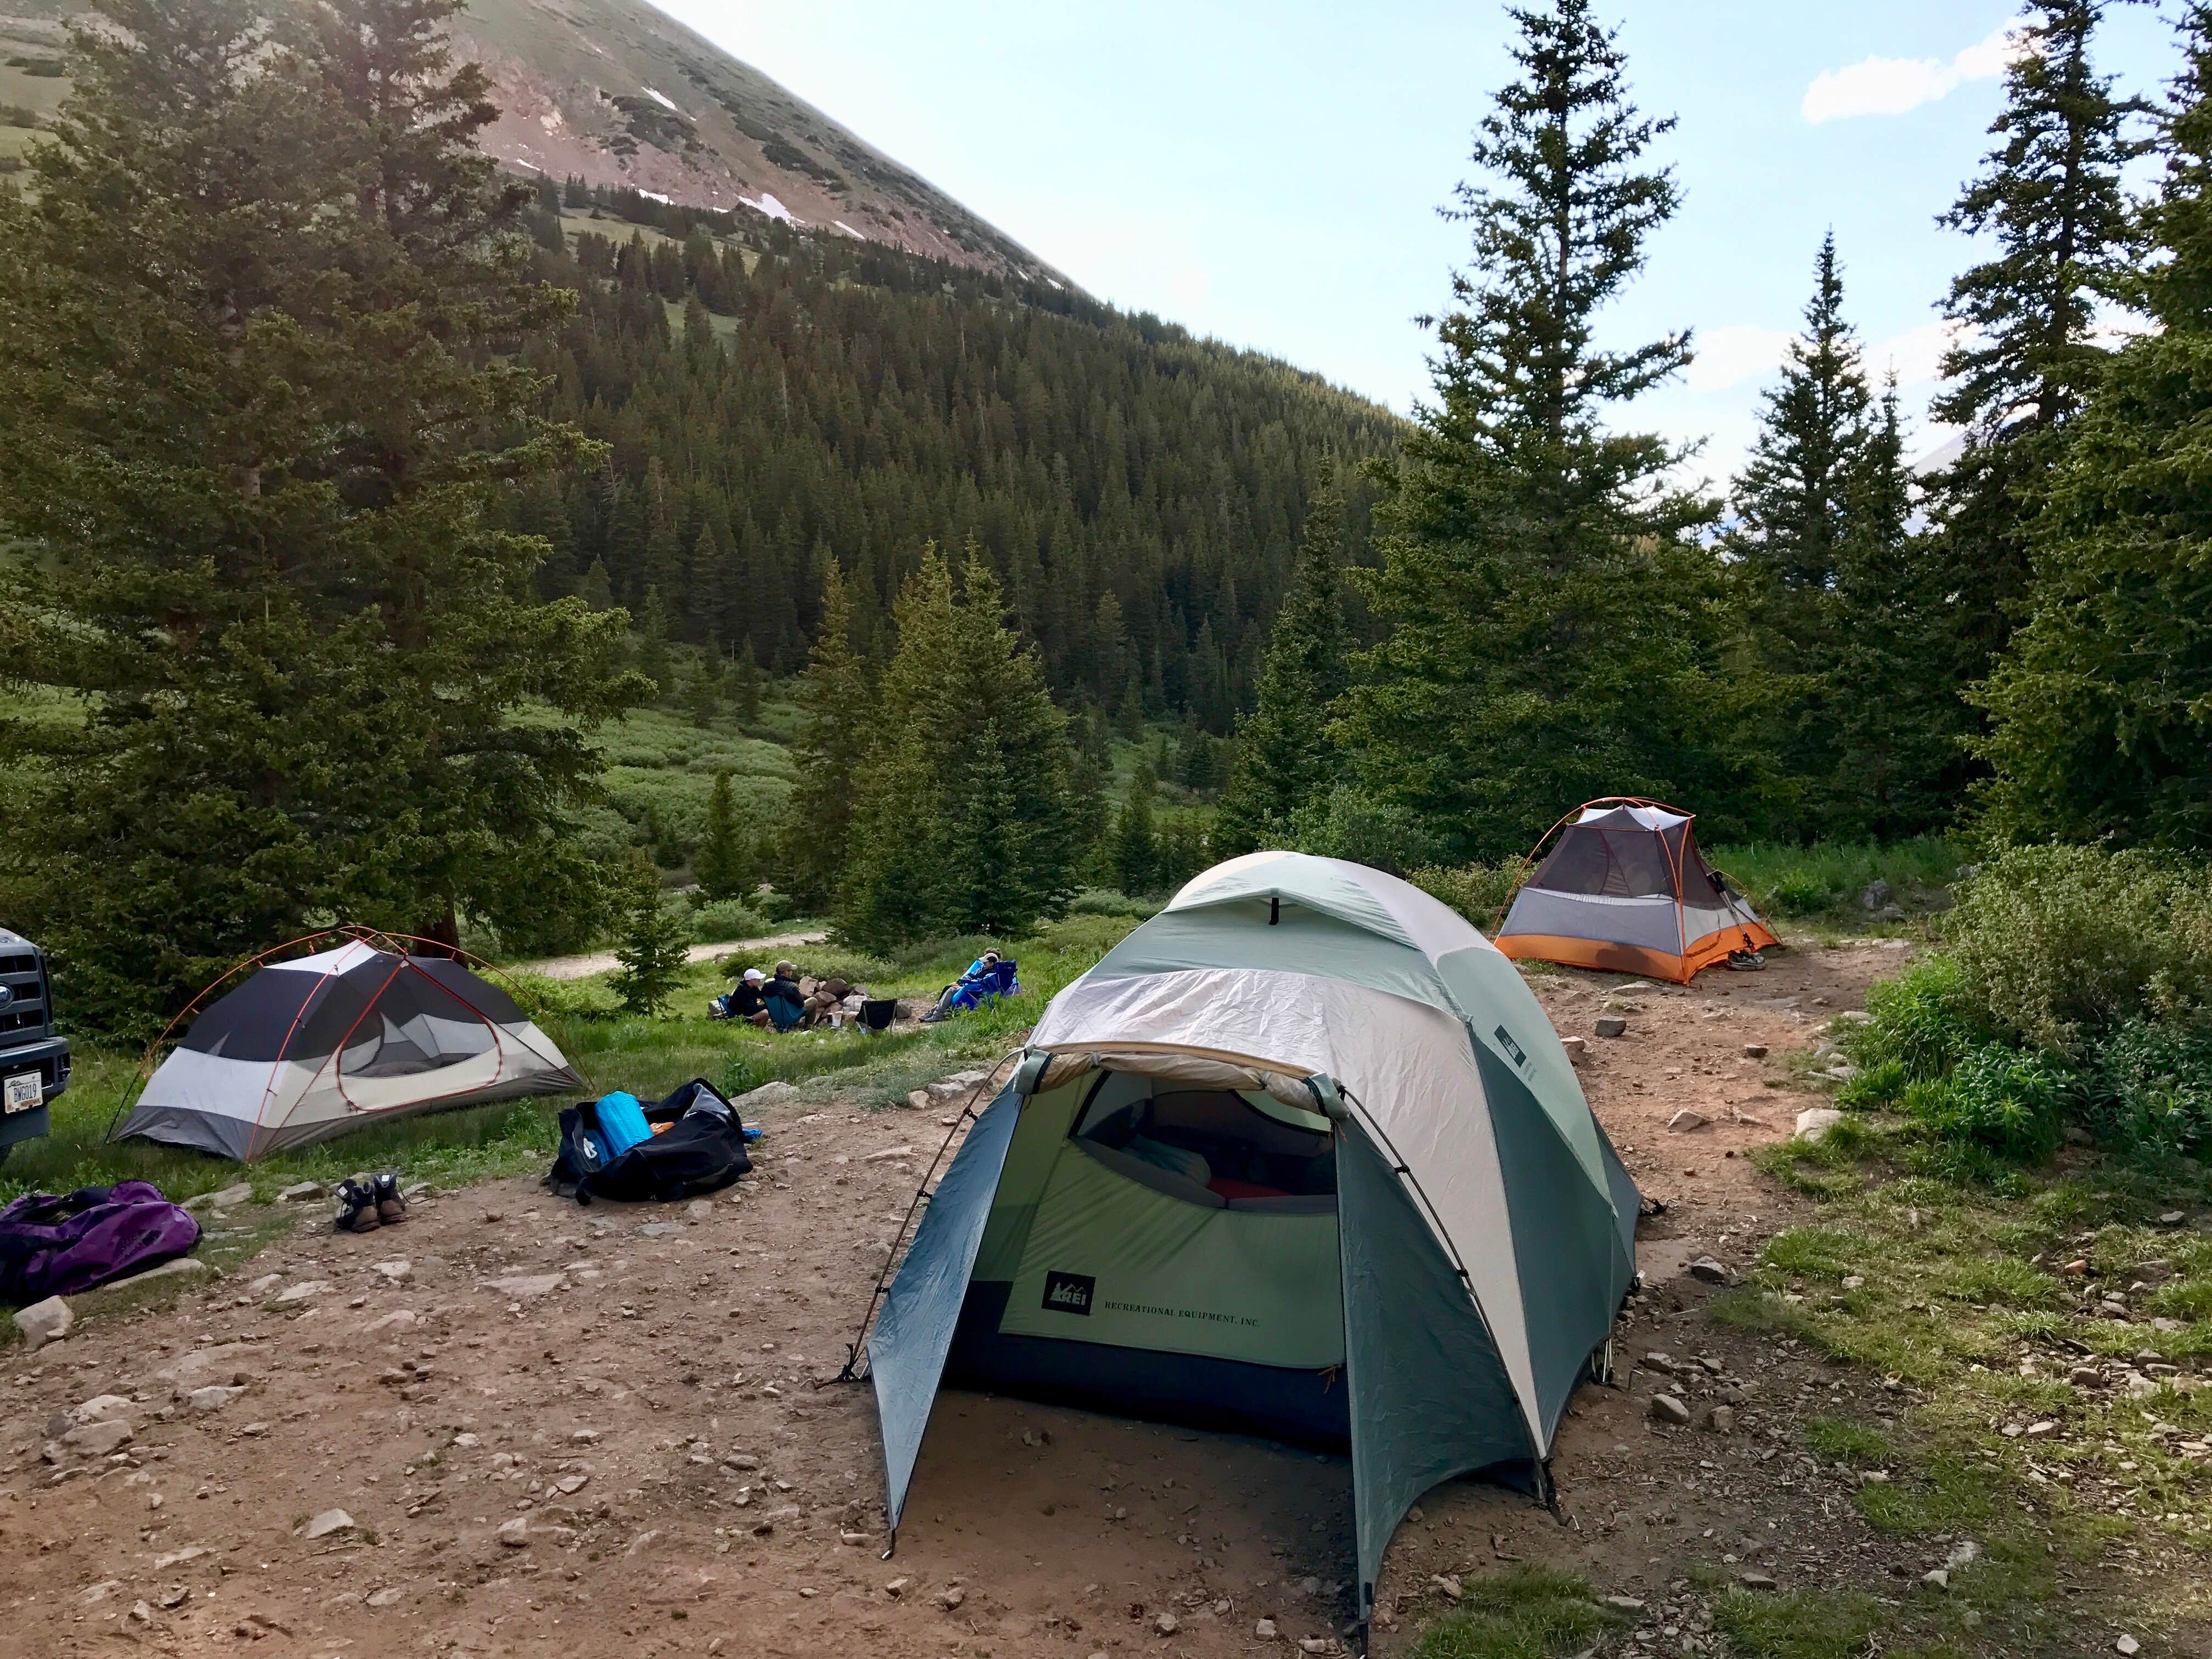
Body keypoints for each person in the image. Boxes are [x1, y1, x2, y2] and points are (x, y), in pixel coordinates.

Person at [921, 950, 1005, 1024]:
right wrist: (960, 982)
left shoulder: (992, 974)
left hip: (976, 990)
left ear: (991, 963)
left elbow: (981, 983)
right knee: (949, 988)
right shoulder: (984, 969)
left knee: (951, 990)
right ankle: (934, 1012)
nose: (983, 964)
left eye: (985, 962)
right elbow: (972, 975)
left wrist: (966, 982)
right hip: (972, 986)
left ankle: (938, 1014)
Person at [762, 961, 808, 1031]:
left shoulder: (767, 986)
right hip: (790, 1016)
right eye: (791, 971)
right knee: (814, 1001)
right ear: (787, 973)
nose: (792, 973)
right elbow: (801, 1005)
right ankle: (808, 1028)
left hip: (776, 1018)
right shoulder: (791, 986)